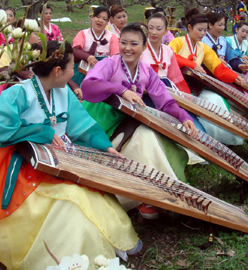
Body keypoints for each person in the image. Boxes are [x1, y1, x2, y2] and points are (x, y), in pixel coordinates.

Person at [0, 40, 140, 268]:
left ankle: (107, 244)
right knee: (71, 200)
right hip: (26, 165)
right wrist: (41, 132)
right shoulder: (16, 94)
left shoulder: (64, 92)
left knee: (90, 190)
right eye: (72, 66)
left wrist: (106, 147)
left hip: (62, 159)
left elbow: (82, 126)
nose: (74, 72)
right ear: (57, 71)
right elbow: (3, 133)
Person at [82, 23, 199, 218]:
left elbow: (165, 101)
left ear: (144, 47)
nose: (128, 48)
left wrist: (184, 117)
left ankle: (161, 192)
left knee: (153, 139)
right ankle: (143, 196)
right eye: (123, 43)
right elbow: (88, 86)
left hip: (131, 118)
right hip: (101, 121)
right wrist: (120, 90)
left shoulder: (146, 71)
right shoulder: (108, 64)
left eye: (134, 44)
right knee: (144, 141)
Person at [169, 8, 245, 146]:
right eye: (199, 29)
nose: (202, 33)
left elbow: (217, 66)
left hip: (195, 87)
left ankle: (222, 139)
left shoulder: (203, 47)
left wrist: (234, 76)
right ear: (189, 27)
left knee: (216, 100)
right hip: (176, 86)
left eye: (204, 30)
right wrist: (190, 64)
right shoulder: (178, 42)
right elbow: (170, 55)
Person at [142, 13, 206, 132]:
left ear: (166, 31)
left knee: (189, 120)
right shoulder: (140, 48)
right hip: (147, 92)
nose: (154, 32)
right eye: (150, 28)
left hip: (167, 90)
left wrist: (188, 100)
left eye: (159, 28)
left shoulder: (168, 50)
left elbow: (176, 78)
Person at [71, 6, 119, 85]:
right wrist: (88, 57)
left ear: (107, 22)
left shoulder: (112, 36)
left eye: (104, 19)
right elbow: (75, 50)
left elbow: (116, 56)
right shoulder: (83, 33)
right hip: (84, 68)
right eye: (98, 17)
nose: (100, 20)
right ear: (92, 17)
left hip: (104, 68)